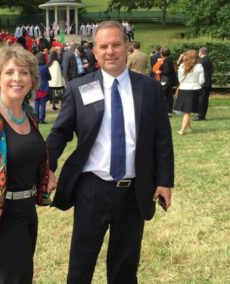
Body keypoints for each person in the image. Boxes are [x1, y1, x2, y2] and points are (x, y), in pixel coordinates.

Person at [46, 21, 174, 283]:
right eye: (103, 46)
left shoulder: (148, 89)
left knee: (125, 267)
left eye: (116, 44)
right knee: (81, 265)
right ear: (95, 52)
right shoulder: (80, 88)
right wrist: (46, 167)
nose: (110, 51)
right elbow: (59, 133)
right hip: (92, 190)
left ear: (127, 47)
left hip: (134, 191)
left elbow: (162, 138)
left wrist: (164, 181)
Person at [0, 45, 53, 283]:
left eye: (24, 72)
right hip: (2, 215)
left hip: (28, 211)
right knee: (17, 278)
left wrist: (47, 174)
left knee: (21, 276)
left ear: (32, 79)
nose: (17, 78)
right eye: (10, 72)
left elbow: (31, 156)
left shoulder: (29, 114)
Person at [174, 49, 205, 135]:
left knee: (186, 110)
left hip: (183, 89)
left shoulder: (182, 66)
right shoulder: (199, 66)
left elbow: (180, 79)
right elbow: (202, 81)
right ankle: (186, 128)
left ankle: (182, 130)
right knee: (187, 110)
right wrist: (196, 83)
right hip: (194, 89)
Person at [157, 47, 178, 116]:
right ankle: (169, 111)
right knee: (169, 96)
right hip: (170, 81)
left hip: (166, 80)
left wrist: (159, 72)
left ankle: (164, 111)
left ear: (162, 53)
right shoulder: (170, 59)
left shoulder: (166, 60)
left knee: (163, 95)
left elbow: (166, 71)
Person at [194, 47, 213, 121]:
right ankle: (201, 114)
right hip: (207, 82)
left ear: (201, 52)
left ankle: (201, 115)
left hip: (203, 83)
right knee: (204, 100)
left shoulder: (202, 61)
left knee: (202, 100)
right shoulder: (208, 59)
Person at [34, 52, 51, 124]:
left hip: (35, 88)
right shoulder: (45, 67)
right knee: (43, 104)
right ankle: (42, 120)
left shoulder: (33, 67)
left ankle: (36, 119)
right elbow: (49, 77)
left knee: (36, 104)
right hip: (43, 87)